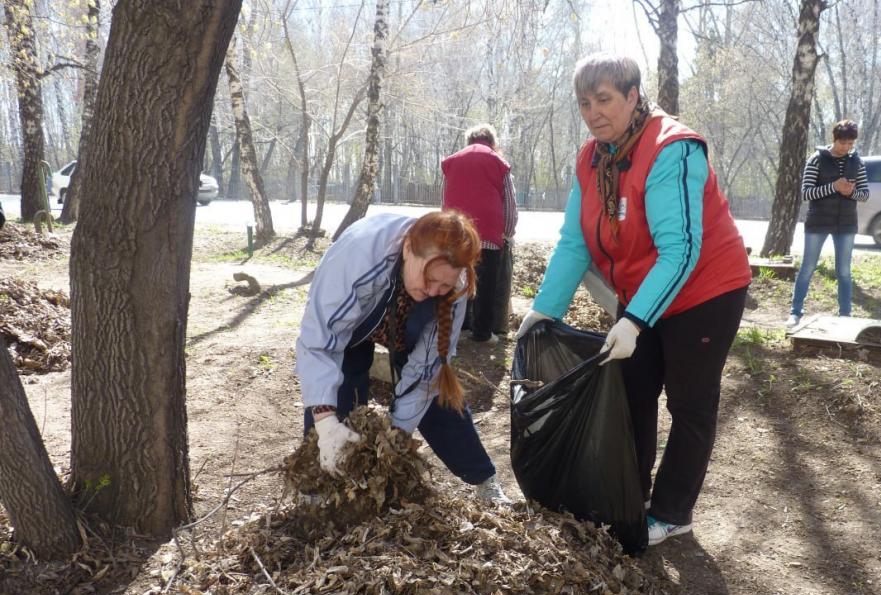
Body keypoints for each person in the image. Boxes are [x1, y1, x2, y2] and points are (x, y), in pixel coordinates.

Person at [516, 53, 751, 547]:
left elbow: (681, 249)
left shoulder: (671, 149)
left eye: (604, 99)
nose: (594, 112)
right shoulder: (591, 158)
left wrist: (635, 320)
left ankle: (670, 512)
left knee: (690, 403)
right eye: (584, 102)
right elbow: (574, 242)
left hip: (705, 289)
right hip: (644, 291)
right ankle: (631, 495)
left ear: (632, 95)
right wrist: (544, 309)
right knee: (633, 393)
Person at [295, 210, 509, 504]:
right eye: (430, 278)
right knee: (339, 395)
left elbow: (425, 373)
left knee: (436, 394)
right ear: (408, 248)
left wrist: (395, 439)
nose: (434, 290)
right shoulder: (359, 255)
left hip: (406, 321)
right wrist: (325, 420)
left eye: (444, 285)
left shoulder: (453, 290)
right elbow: (319, 343)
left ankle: (484, 480)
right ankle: (316, 492)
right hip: (353, 322)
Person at [787, 120, 870, 328]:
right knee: (808, 267)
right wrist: (833, 186)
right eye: (843, 143)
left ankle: (845, 315)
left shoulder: (857, 162)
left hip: (847, 223)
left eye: (850, 144)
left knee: (844, 270)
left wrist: (851, 192)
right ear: (835, 139)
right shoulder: (816, 160)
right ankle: (795, 312)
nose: (847, 148)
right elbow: (806, 194)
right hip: (818, 221)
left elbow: (865, 195)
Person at [441, 123, 518, 342]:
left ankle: (458, 327)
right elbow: (509, 203)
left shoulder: (451, 161)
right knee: (486, 283)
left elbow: (444, 198)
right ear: (493, 143)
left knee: (457, 280)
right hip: (488, 232)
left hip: (457, 232)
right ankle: (483, 333)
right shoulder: (498, 162)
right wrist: (508, 231)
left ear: (469, 141)